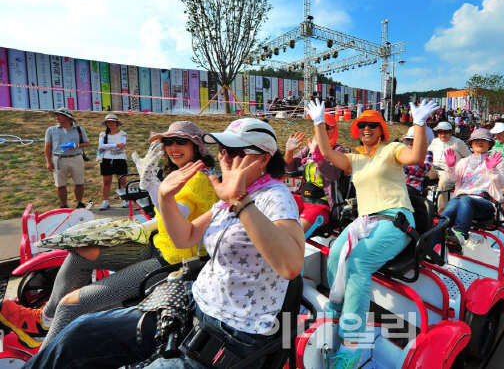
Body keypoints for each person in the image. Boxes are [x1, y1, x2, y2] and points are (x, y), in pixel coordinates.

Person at [23, 118, 304, 369]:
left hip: (228, 334)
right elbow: (186, 237)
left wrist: (239, 201)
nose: (226, 158)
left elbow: (290, 266)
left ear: (264, 158)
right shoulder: (230, 193)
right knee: (79, 332)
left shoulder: (272, 197)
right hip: (192, 309)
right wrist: (166, 198)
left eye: (236, 152)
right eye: (223, 151)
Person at [0, 121, 218, 350]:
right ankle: (45, 319)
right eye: (168, 141)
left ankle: (43, 357)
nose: (173, 146)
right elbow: (166, 216)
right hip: (158, 244)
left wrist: (153, 185)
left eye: (181, 141)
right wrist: (145, 212)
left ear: (197, 146)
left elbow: (175, 215)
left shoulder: (197, 178)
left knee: (71, 304)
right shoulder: (182, 172)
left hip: (172, 261)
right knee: (81, 253)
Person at [306, 98, 439, 369]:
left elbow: (415, 157)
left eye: (373, 125)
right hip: (366, 221)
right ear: (357, 130)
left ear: (381, 131)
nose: (367, 128)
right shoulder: (354, 159)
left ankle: (351, 346)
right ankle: (338, 308)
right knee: (334, 254)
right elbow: (328, 154)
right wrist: (319, 124)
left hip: (395, 220)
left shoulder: (392, 150)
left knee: (357, 264)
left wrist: (419, 123)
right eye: (362, 125)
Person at [442, 129, 504, 253]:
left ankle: (461, 234)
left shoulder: (496, 161)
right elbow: (452, 179)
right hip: (462, 199)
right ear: (471, 143)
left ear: (490, 144)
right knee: (446, 215)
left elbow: (502, 184)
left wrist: (493, 169)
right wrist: (450, 167)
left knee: (466, 199)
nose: (479, 142)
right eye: (476, 140)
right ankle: (431, 249)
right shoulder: (464, 162)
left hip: (485, 202)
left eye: (484, 140)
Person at [285, 113, 346, 232]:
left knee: (295, 231)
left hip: (322, 203)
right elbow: (290, 168)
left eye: (327, 127)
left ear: (334, 129)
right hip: (304, 197)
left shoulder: (338, 150)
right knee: (278, 205)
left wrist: (316, 155)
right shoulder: (309, 147)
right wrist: (289, 151)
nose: (322, 131)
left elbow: (332, 175)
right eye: (319, 127)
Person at [43, 107, 91, 209]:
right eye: (56, 115)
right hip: (58, 159)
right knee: (60, 184)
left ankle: (79, 203)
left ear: (68, 117)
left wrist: (77, 146)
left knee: (79, 182)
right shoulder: (51, 130)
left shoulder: (79, 129)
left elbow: (87, 143)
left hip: (76, 158)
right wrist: (48, 162)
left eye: (60, 115)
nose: (57, 117)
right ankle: (64, 204)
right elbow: (47, 147)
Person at [428, 121, 472, 211]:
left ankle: (442, 209)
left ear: (450, 132)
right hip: (434, 168)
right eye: (440, 132)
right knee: (420, 172)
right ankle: (420, 200)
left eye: (446, 132)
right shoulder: (435, 141)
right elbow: (428, 153)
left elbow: (469, 157)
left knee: (444, 183)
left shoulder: (458, 142)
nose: (443, 134)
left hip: (448, 170)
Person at [97, 114, 129, 210]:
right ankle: (105, 201)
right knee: (106, 181)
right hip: (106, 159)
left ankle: (125, 199)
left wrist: (109, 145)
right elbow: (101, 145)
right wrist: (115, 144)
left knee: (122, 179)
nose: (110, 124)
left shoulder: (123, 133)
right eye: (108, 122)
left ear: (116, 123)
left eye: (112, 121)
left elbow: (122, 145)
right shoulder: (103, 134)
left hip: (120, 158)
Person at [402, 126, 435, 196]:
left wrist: (415, 158)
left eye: (413, 140)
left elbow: (426, 169)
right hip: (399, 184)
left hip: (414, 187)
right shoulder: (403, 151)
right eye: (408, 139)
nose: (410, 142)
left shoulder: (427, 153)